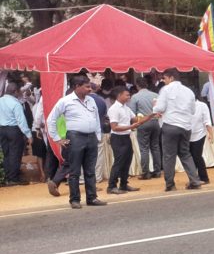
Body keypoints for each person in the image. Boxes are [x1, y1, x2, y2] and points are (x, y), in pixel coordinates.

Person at [46, 74, 106, 208]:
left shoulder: (91, 100)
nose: (90, 89)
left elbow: (96, 118)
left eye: (90, 86)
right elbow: (51, 119)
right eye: (87, 87)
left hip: (91, 138)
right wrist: (56, 139)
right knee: (74, 171)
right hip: (75, 137)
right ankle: (75, 200)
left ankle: (92, 198)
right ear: (77, 87)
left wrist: (97, 136)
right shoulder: (65, 101)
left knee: (90, 170)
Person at [153, 68, 204, 191]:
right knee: (185, 154)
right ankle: (195, 180)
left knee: (169, 156)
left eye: (164, 78)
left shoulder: (165, 90)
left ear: (171, 78)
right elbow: (192, 110)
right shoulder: (189, 91)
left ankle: (170, 184)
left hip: (170, 125)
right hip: (186, 126)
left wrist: (155, 108)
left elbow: (160, 107)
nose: (163, 81)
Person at [107, 85, 151, 194]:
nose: (129, 97)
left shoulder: (126, 107)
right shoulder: (114, 109)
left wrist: (151, 115)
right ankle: (111, 186)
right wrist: (131, 127)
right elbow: (114, 127)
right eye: (126, 95)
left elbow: (136, 119)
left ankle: (123, 184)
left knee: (127, 161)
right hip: (118, 138)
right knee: (119, 162)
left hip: (126, 137)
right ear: (119, 95)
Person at [130, 77, 162, 179]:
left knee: (144, 149)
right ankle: (157, 171)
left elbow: (132, 113)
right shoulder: (155, 95)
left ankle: (145, 172)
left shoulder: (135, 97)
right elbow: (160, 110)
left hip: (143, 123)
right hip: (155, 123)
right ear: (147, 85)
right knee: (155, 147)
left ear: (137, 85)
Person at [0, 82, 32, 186]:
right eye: (18, 91)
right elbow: (21, 121)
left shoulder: (0, 100)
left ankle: (8, 177)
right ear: (15, 91)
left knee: (7, 154)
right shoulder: (15, 103)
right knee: (15, 154)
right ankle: (14, 178)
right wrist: (29, 135)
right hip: (14, 130)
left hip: (2, 129)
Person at [189, 98, 214, 184]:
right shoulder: (183, 105)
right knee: (190, 158)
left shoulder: (202, 106)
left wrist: (211, 134)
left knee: (197, 156)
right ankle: (194, 178)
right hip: (187, 135)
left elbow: (207, 121)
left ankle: (204, 178)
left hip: (199, 135)